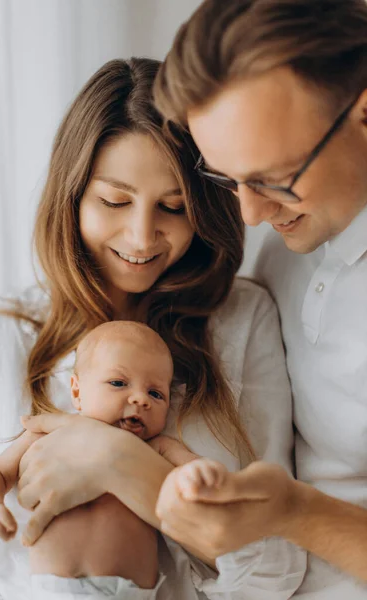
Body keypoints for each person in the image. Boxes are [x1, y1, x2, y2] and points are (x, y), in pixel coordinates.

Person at [0, 57, 306, 599]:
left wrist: (121, 465)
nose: (143, 236)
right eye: (115, 201)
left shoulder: (240, 321)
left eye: (173, 207)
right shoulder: (3, 335)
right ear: (72, 195)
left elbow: (276, 566)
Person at [150, 0, 367, 598]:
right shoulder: (287, 246)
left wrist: (295, 515)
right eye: (227, 178)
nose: (250, 215)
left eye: (274, 178)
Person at [0, 320, 230, 599]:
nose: (140, 399)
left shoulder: (156, 448)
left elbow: (200, 470)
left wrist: (200, 475)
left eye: (155, 393)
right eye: (119, 383)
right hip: (53, 590)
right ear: (76, 391)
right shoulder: (48, 433)